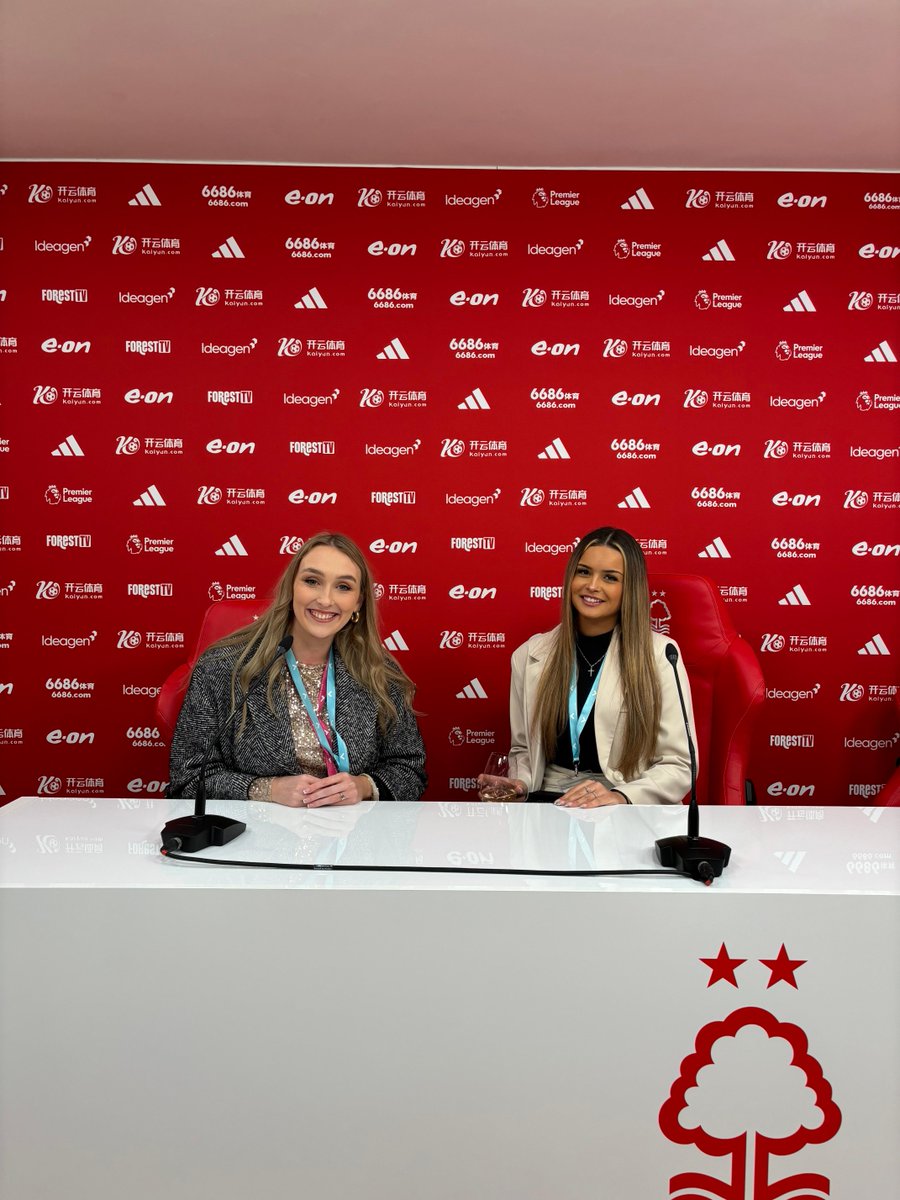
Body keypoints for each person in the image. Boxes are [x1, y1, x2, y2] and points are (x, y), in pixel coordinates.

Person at [168, 532, 427, 806]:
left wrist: (362, 786)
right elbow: (186, 778)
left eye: (343, 587)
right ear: (291, 587)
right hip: (254, 840)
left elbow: (409, 770)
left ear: (358, 603)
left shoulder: (378, 672)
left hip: (352, 838)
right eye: (312, 581)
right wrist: (266, 789)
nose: (326, 600)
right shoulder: (222, 667)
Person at [480, 526, 695, 807]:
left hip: (627, 800)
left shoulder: (660, 655)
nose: (592, 585)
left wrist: (621, 796)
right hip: (552, 802)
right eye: (583, 572)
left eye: (610, 577)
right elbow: (523, 750)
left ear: (629, 588)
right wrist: (520, 784)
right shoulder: (530, 654)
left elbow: (679, 765)